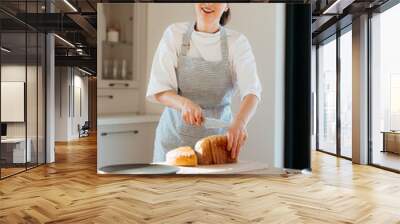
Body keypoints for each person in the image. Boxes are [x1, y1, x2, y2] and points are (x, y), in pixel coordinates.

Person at [146, 3, 262, 162]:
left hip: (218, 146)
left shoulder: (237, 42)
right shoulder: (174, 34)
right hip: (173, 142)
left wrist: (240, 122)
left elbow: (252, 92)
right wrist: (184, 103)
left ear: (227, 6)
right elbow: (159, 89)